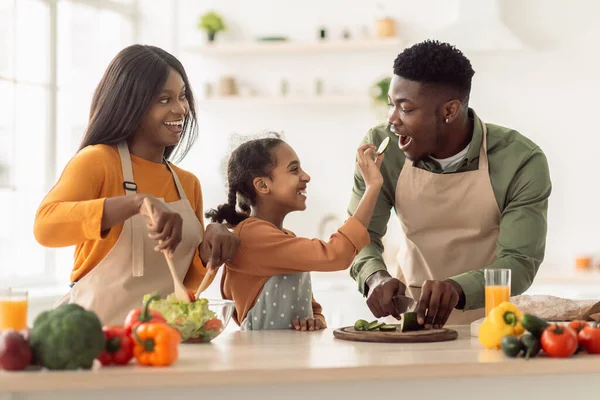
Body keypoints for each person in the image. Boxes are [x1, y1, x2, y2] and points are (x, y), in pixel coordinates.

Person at [348, 40, 552, 327]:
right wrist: (374, 276)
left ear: (450, 111)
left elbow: (519, 261)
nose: (391, 119)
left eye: (405, 109)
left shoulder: (519, 159)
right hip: (409, 318)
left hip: (490, 323)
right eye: (391, 105)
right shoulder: (384, 149)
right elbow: (359, 235)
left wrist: (456, 288)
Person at [33, 44, 239, 325]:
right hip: (99, 340)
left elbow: (185, 285)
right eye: (164, 100)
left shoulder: (187, 184)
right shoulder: (97, 161)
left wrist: (208, 249)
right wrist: (135, 203)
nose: (180, 109)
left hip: (161, 342)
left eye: (182, 97)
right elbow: (45, 228)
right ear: (131, 104)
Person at [206, 136, 383, 331]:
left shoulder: (280, 236)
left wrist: (316, 319)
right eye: (294, 169)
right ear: (263, 185)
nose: (306, 176)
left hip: (288, 356)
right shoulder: (252, 236)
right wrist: (372, 186)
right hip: (261, 358)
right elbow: (336, 254)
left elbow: (311, 307)